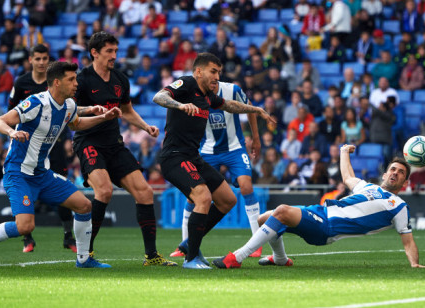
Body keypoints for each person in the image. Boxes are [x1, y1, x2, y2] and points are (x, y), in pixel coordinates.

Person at [0, 62, 121, 269]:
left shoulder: (69, 105)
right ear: (56, 82)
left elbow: (76, 123)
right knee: (25, 226)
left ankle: (83, 260)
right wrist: (11, 132)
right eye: (71, 80)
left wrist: (102, 117)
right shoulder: (36, 103)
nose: (76, 84)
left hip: (41, 173)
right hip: (18, 172)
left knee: (84, 206)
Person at [213, 144, 425, 269]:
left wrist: (414, 264)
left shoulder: (399, 206)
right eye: (392, 169)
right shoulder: (367, 187)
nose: (395, 173)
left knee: (281, 212)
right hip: (320, 212)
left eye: (400, 173)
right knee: (264, 218)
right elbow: (347, 176)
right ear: (384, 173)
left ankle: (237, 258)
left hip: (327, 228)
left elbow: (407, 241)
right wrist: (344, 151)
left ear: (405, 183)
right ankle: (280, 259)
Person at [152, 53, 275, 269]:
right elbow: (159, 97)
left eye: (219, 72)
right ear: (198, 71)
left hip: (193, 157)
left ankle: (190, 243)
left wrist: (256, 109)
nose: (217, 76)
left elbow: (228, 105)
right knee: (203, 197)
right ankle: (191, 258)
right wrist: (179, 106)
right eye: (213, 71)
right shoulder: (187, 84)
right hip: (174, 157)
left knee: (228, 199)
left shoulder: (208, 95)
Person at [73, 32, 173, 267]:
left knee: (145, 192)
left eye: (116, 51)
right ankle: (85, 255)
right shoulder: (82, 80)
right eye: (109, 51)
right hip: (88, 142)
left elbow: (126, 111)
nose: (114, 56)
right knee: (105, 190)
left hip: (114, 144)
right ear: (94, 53)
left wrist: (145, 126)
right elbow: (71, 112)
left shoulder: (120, 79)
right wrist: (94, 111)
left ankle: (152, 256)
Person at [170, 81, 264, 259]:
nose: (213, 77)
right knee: (193, 195)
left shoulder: (232, 90)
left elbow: (249, 107)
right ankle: (184, 246)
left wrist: (256, 138)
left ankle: (256, 244)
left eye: (216, 72)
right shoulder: (194, 92)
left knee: (246, 186)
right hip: (207, 150)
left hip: (234, 148)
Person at [7, 44, 76, 253]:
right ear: (31, 60)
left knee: (63, 188)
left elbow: (67, 112)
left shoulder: (58, 83)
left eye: (45, 58)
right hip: (28, 146)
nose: (41, 62)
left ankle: (68, 235)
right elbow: (11, 112)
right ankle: (27, 237)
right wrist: (12, 136)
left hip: (53, 145)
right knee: (26, 188)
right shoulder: (22, 83)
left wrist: (66, 138)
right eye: (37, 58)